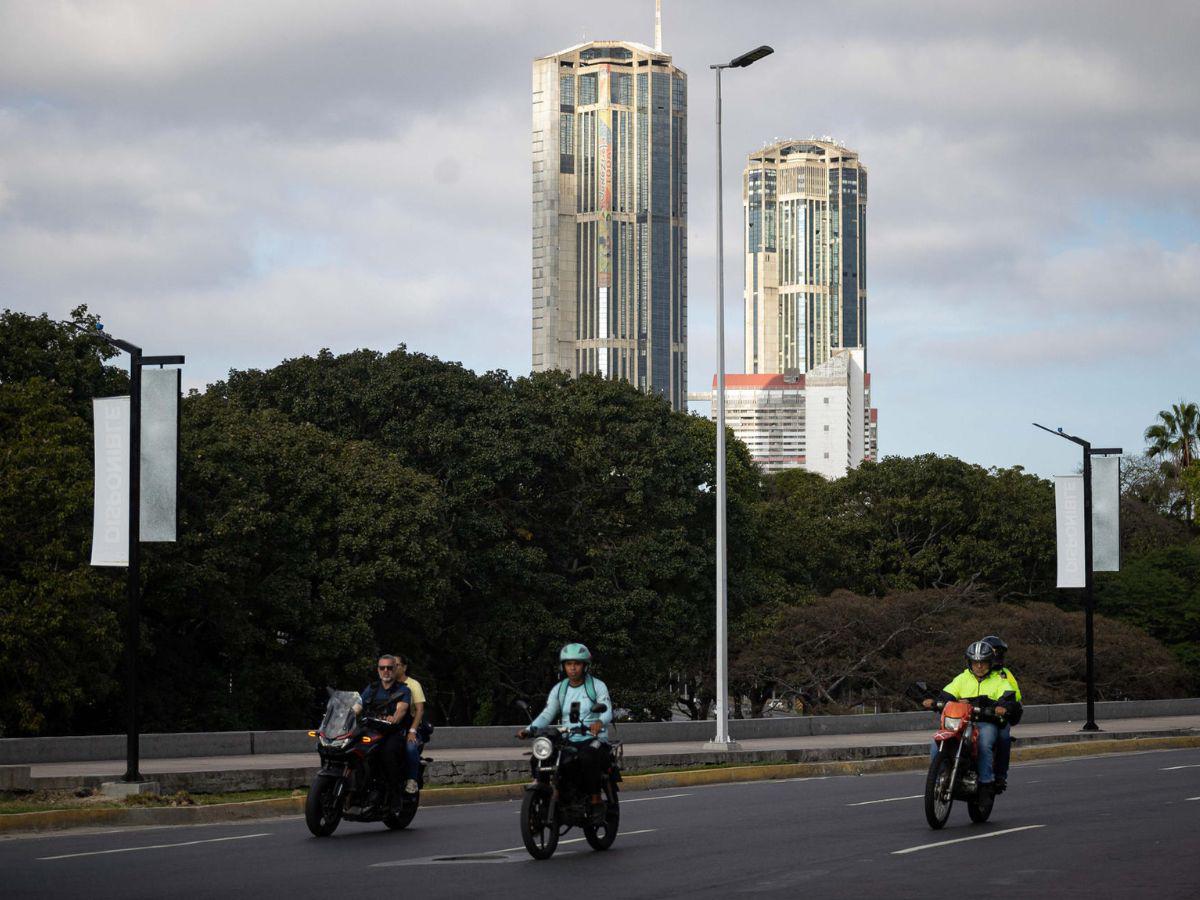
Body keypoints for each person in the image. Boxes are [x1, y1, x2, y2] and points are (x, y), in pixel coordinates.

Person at [517, 643, 614, 821]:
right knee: (540, 756)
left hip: (593, 737)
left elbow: (607, 709)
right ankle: (546, 793)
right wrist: (530, 729)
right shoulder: (560, 689)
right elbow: (547, 714)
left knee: (588, 756)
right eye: (569, 664)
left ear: (585, 666)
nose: (573, 668)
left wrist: (599, 722)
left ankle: (595, 799)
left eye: (577, 664)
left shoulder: (597, 686)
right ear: (563, 666)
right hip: (568, 737)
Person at [922, 641, 1018, 802]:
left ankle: (986, 783)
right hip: (960, 721)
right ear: (969, 662)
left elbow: (1009, 698)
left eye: (983, 662)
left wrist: (1002, 707)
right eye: (975, 662)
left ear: (990, 663)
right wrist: (934, 701)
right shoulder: (962, 678)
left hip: (985, 722)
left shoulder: (1000, 680)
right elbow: (947, 694)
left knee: (984, 742)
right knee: (935, 743)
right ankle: (938, 778)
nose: (979, 666)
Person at [353, 654, 411, 809]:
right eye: (382, 668)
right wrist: (346, 714)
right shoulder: (372, 688)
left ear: (395, 669)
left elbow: (401, 709)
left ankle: (394, 795)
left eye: (389, 668)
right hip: (371, 730)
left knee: (387, 753)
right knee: (353, 750)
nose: (386, 671)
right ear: (378, 670)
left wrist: (395, 717)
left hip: (392, 732)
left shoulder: (403, 690)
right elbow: (358, 706)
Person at [982, 634, 1023, 792]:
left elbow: (1016, 695)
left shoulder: (1005, 673)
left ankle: (1000, 776)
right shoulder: (973, 672)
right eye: (992, 651)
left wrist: (1002, 705)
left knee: (1003, 737)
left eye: (998, 652)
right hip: (976, 714)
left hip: (997, 715)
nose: (995, 655)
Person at [394, 654, 427, 794]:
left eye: (396, 665)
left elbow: (420, 710)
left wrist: (412, 730)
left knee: (410, 747)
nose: (392, 668)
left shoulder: (413, 685)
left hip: (409, 726)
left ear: (404, 667)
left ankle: (412, 780)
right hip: (390, 727)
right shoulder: (386, 684)